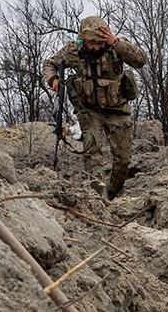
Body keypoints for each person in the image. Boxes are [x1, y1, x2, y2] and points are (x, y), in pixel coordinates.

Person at [42, 16, 147, 198]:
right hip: (90, 111)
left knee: (123, 160)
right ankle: (97, 197)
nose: (95, 47)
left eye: (99, 42)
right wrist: (53, 79)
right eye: (91, 43)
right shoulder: (73, 51)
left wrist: (116, 42)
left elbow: (140, 60)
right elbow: (49, 63)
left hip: (118, 110)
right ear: (83, 40)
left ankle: (111, 195)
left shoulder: (117, 48)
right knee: (93, 152)